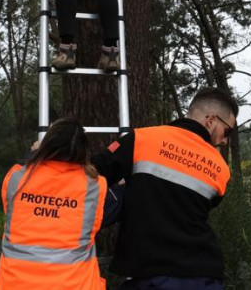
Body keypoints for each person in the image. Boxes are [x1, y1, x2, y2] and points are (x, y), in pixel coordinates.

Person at [92, 87, 239, 290]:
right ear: (211, 120)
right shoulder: (221, 168)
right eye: (227, 131)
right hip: (204, 276)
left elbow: (90, 174)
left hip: (150, 274)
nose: (225, 140)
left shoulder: (141, 139)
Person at [0, 118, 118, 290]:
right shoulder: (94, 187)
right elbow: (114, 206)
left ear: (46, 144)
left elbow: (13, 207)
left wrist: (34, 153)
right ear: (83, 151)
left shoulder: (16, 178)